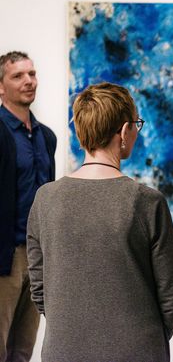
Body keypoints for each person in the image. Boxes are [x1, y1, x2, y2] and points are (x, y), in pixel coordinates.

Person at [26, 82, 173, 362]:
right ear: (124, 131)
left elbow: (38, 287)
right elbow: (171, 291)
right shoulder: (147, 201)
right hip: (137, 350)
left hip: (63, 350)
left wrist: (73, 331)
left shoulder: (45, 198)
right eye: (136, 124)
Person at [0, 51, 55, 362]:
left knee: (22, 351)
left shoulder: (47, 137)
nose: (29, 81)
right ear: (1, 87)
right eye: (18, 76)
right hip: (4, 259)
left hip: (37, 257)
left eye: (32, 74)